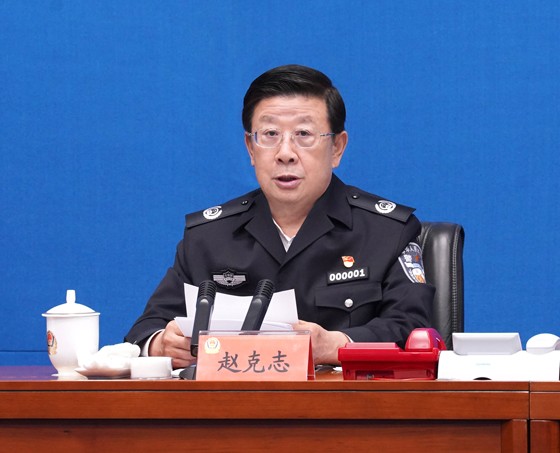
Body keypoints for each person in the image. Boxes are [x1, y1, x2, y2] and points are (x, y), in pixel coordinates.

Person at [125, 64, 434, 368]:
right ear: (251, 148)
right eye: (270, 134)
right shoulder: (208, 237)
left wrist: (336, 345)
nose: (285, 153)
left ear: (337, 148)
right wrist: (160, 344)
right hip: (235, 400)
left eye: (304, 134)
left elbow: (414, 330)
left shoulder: (387, 231)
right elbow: (145, 330)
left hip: (344, 399)